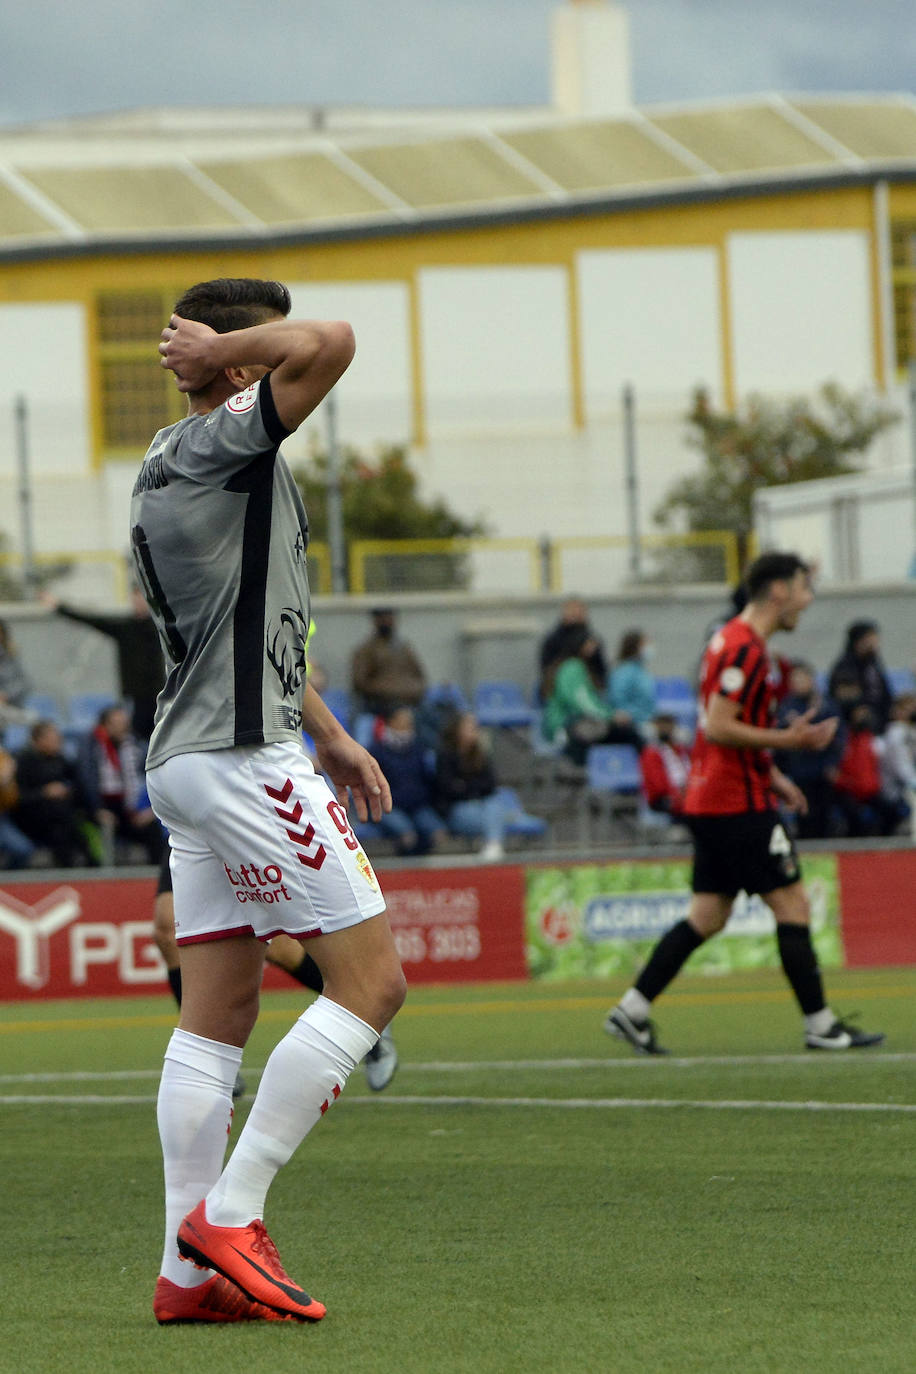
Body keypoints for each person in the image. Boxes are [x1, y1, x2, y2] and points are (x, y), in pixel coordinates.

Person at [136, 277, 405, 1327]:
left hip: (192, 762)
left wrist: (332, 736)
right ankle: (231, 1215)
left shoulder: (172, 460)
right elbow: (331, 341)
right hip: (242, 757)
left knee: (219, 1013)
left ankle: (184, 1271)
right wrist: (225, 354)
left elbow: (251, 631)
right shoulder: (223, 443)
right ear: (240, 364)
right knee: (371, 987)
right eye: (256, 343)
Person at [604, 551, 884, 1055]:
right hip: (735, 803)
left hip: (716, 796)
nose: (807, 599)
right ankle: (820, 1025)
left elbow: (723, 732)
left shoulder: (732, 640)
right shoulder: (745, 649)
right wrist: (789, 745)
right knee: (792, 903)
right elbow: (717, 724)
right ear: (778, 591)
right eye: (803, 587)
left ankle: (633, 1009)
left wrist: (773, 774)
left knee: (708, 915)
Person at [151, 850, 398, 1094]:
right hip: (189, 822)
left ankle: (364, 1005)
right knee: (167, 929)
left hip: (244, 815)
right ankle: (209, 1055)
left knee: (278, 946)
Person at [43, 586, 165, 742]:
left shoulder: (159, 627)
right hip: (133, 697)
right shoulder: (125, 628)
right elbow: (92, 620)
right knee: (133, 742)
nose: (138, 602)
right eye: (135, 598)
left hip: (157, 697)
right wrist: (60, 607)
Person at [434, 710, 547, 861]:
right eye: (470, 726)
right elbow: (448, 789)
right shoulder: (445, 756)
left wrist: (466, 786)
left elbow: (490, 784)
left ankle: (493, 845)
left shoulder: (479, 755)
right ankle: (498, 836)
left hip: (483, 807)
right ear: (457, 730)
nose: (475, 730)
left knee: (494, 804)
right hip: (458, 811)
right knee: (496, 810)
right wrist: (473, 789)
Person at [542, 625, 643, 765]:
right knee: (628, 734)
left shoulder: (580, 666)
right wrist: (610, 716)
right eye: (591, 643)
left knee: (627, 732)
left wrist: (610, 714)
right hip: (567, 726)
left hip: (584, 722)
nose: (594, 648)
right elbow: (581, 702)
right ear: (580, 644)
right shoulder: (572, 668)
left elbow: (593, 702)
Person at [77, 704, 164, 864]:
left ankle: (158, 879)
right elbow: (86, 779)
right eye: (117, 724)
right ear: (105, 725)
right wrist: (97, 810)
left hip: (130, 808)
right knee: (101, 831)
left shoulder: (135, 744)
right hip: (102, 807)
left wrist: (147, 810)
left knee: (153, 830)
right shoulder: (91, 746)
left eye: (124, 723)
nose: (123, 728)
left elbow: (148, 778)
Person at [774, 661, 845, 839]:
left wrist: (832, 763)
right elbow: (779, 736)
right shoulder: (787, 706)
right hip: (800, 770)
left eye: (801, 679)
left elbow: (839, 734)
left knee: (824, 814)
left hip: (822, 769)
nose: (798, 683)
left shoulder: (825, 704)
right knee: (804, 814)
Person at [13, 719, 97, 867]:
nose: (58, 743)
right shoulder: (24, 761)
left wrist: (67, 791)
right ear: (38, 740)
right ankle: (68, 872)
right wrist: (44, 792)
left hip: (60, 817)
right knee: (63, 829)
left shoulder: (60, 759)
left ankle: (93, 867)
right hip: (31, 818)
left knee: (72, 826)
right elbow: (18, 797)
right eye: (53, 739)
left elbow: (79, 785)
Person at [364, 704, 445, 856]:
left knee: (438, 832)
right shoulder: (376, 751)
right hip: (388, 807)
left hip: (417, 806)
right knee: (407, 835)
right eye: (404, 720)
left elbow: (427, 780)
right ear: (391, 722)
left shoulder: (418, 748)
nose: (409, 725)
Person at [350, 607, 427, 716]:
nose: (387, 621)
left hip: (412, 699)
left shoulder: (404, 648)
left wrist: (414, 688)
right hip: (382, 703)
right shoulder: (366, 650)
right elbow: (359, 683)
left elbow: (420, 675)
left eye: (389, 617)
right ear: (375, 621)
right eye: (382, 618)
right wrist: (392, 690)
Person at [828, 620, 894, 735]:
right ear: (859, 641)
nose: (875, 643)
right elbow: (845, 699)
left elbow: (885, 693)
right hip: (857, 727)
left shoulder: (873, 663)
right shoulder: (845, 667)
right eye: (871, 638)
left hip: (882, 719)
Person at [537, 596, 608, 702]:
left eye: (579, 610)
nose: (576, 613)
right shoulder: (553, 639)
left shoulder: (592, 638)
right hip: (560, 689)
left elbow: (601, 668)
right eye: (572, 610)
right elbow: (546, 666)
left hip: (589, 687)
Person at [638, 713, 691, 818]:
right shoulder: (651, 752)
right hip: (663, 799)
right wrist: (680, 794)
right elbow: (659, 786)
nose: (665, 730)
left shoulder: (682, 751)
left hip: (685, 793)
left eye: (669, 726)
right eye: (662, 726)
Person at [607, 629, 656, 739]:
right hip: (632, 724)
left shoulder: (641, 671)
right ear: (635, 647)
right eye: (645, 644)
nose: (649, 647)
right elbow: (617, 701)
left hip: (647, 719)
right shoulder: (623, 672)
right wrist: (634, 715)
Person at [0, 745, 35, 869]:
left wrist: (6, 778)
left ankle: (7, 880)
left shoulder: (3, 755)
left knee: (24, 850)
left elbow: (11, 798)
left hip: (2, 817)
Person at [0, 617, 33, 727]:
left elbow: (24, 683)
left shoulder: (10, 656)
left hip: (11, 705)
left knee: (34, 720)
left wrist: (6, 694)